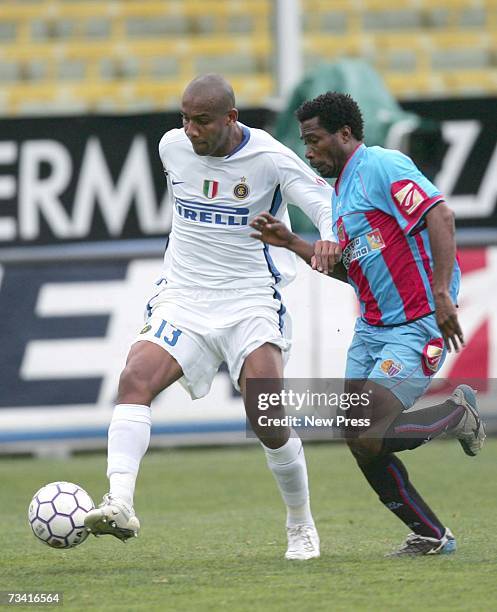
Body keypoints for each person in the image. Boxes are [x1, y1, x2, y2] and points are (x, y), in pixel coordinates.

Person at [84, 74, 340, 560]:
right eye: (184, 119)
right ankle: (119, 501)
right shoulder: (171, 148)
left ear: (230, 118)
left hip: (249, 299)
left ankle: (300, 523)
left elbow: (323, 202)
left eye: (201, 121)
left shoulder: (268, 157)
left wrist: (327, 235)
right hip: (184, 295)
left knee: (266, 414)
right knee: (134, 379)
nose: (191, 130)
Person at [250, 91, 485, 557]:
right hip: (372, 329)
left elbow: (440, 215)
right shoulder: (339, 197)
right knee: (357, 435)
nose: (308, 151)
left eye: (314, 140)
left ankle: (458, 413)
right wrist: (295, 241)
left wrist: (442, 294)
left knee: (369, 430)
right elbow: (349, 271)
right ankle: (432, 536)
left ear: (345, 133)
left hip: (416, 323)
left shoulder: (381, 166)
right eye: (304, 142)